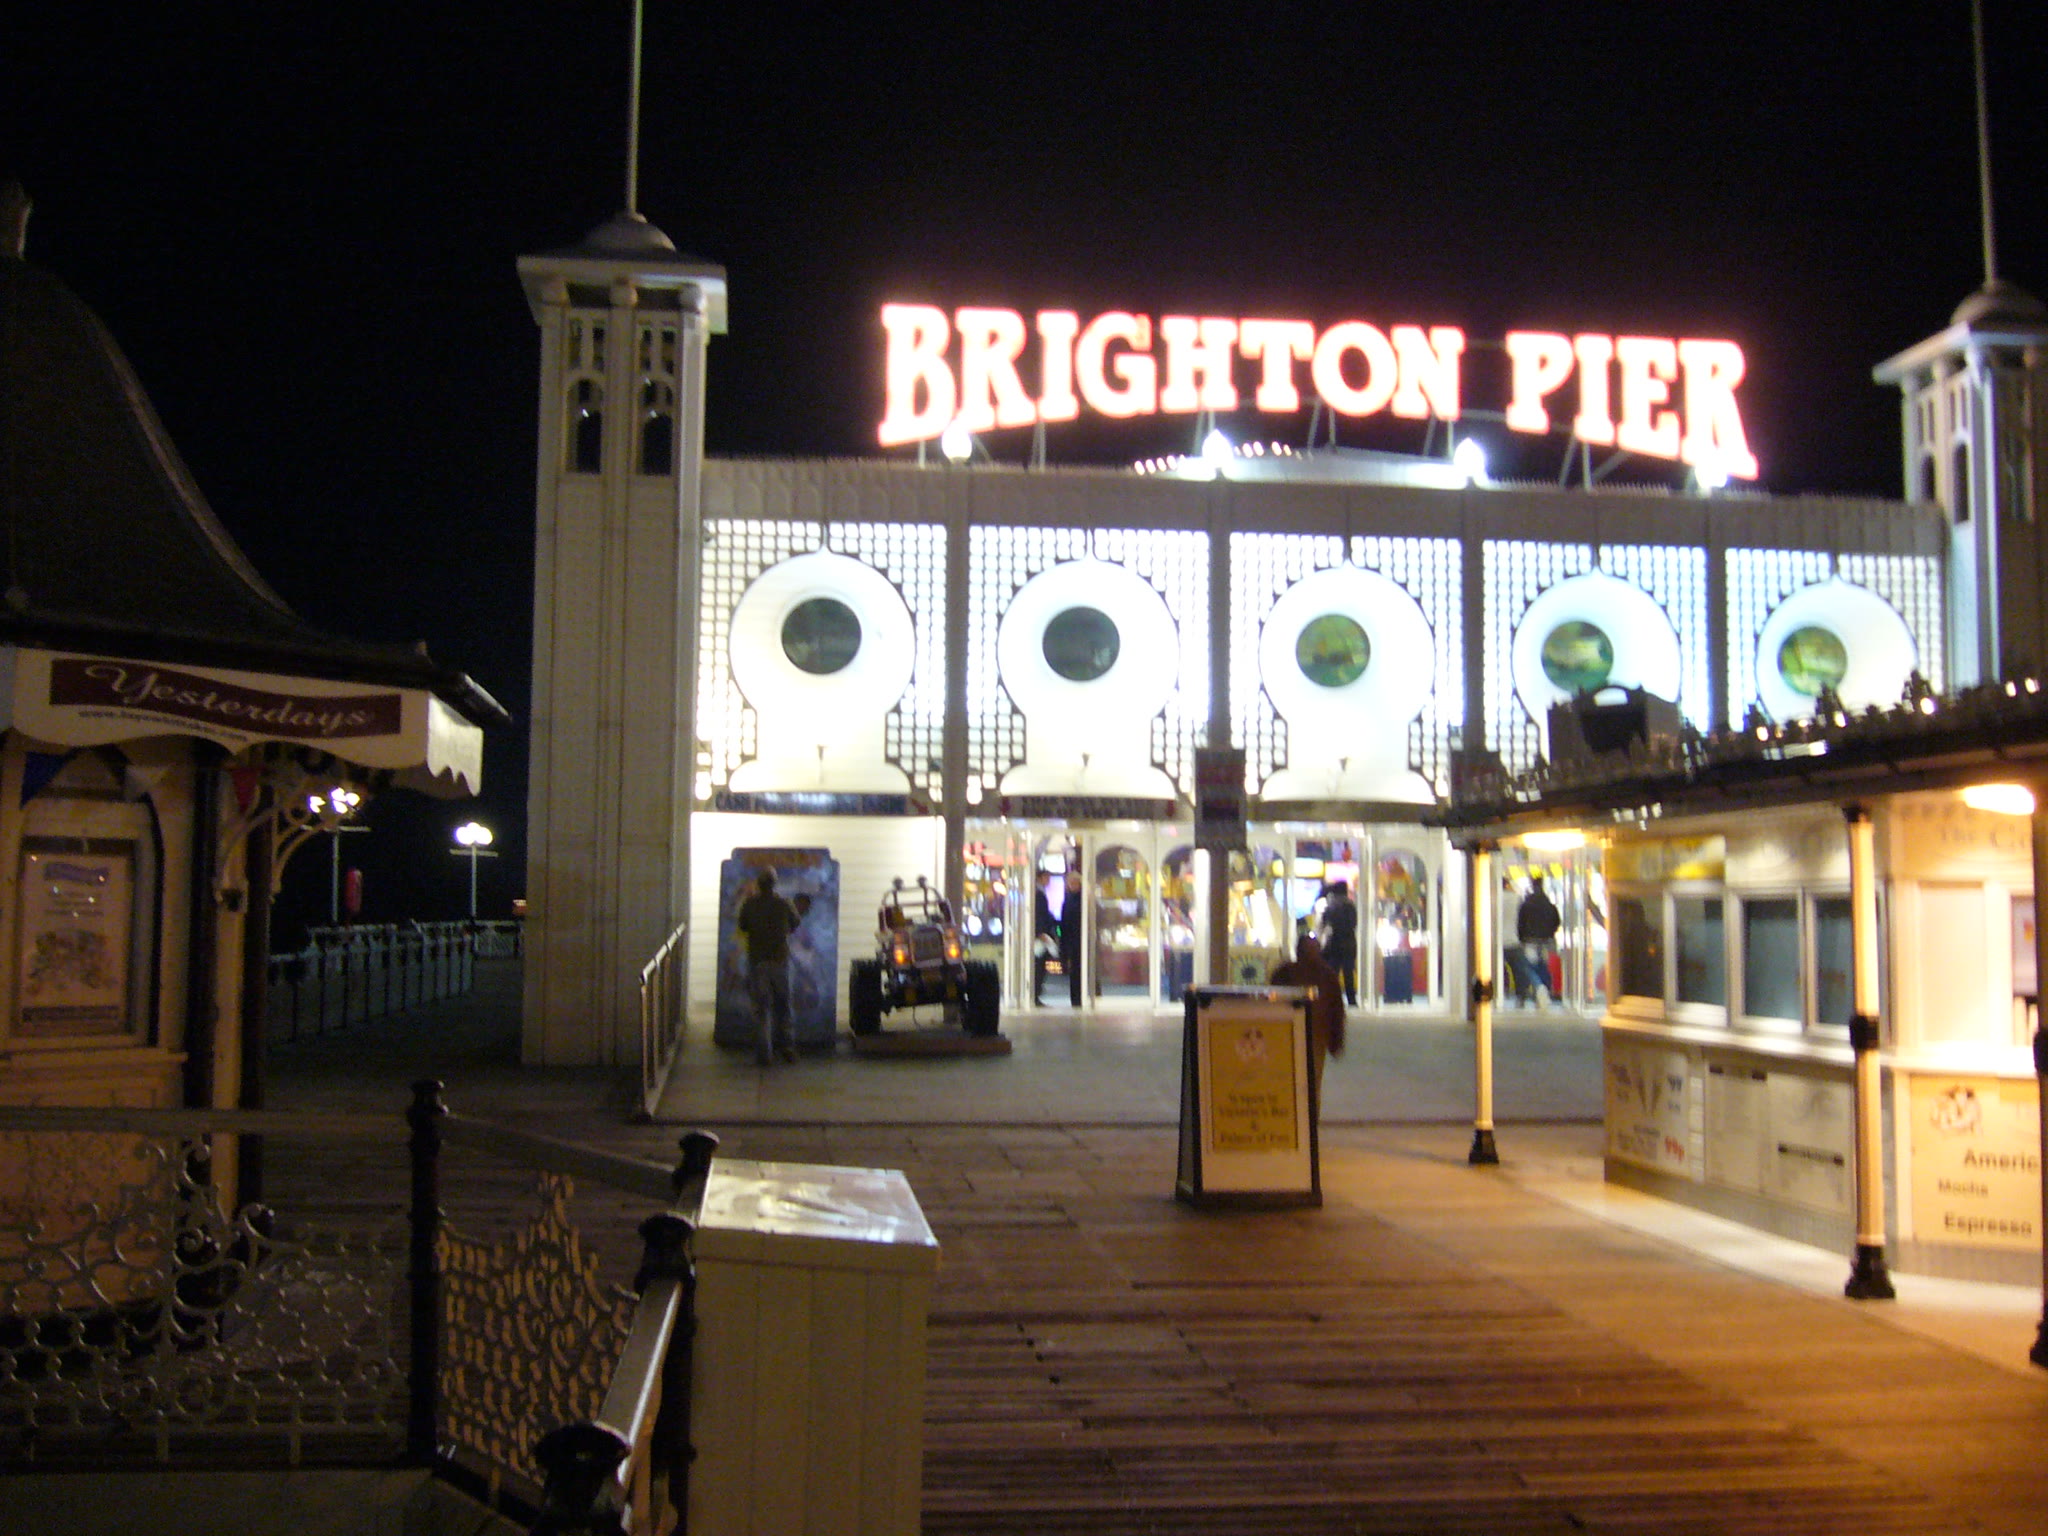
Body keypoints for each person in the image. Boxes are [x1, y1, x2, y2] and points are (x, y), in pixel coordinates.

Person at [735, 869, 805, 1065]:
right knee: (784, 1006)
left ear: (759, 884)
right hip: (780, 960)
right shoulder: (784, 903)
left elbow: (742, 926)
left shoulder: (750, 904)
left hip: (758, 961)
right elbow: (796, 923)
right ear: (774, 884)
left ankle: (764, 1053)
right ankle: (787, 1048)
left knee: (762, 1008)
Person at [1270, 933, 1345, 1100]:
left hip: (1296, 1034)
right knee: (1312, 1080)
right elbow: (1336, 1010)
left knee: (1296, 1078)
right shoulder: (1327, 975)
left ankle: (1301, 1110)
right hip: (1309, 1034)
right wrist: (1335, 1040)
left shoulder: (1283, 973)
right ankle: (1308, 1112)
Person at [1516, 873, 1563, 1007]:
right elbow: (1557, 921)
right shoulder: (1549, 905)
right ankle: (1546, 990)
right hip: (1547, 940)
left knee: (1529, 966)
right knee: (1544, 966)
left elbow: (1520, 923)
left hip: (1529, 940)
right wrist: (1550, 933)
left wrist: (1521, 937)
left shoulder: (1526, 905)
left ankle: (1538, 986)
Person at [1316, 879, 1360, 1006]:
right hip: (1349, 942)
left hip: (1335, 942)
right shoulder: (1351, 905)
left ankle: (1332, 999)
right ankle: (1351, 999)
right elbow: (1354, 923)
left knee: (1333, 973)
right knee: (1348, 973)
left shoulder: (1331, 906)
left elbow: (1324, 923)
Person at [1059, 869, 1085, 1006]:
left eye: (1075, 883)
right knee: (1074, 972)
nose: (1073, 885)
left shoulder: (1083, 900)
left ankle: (1080, 997)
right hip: (1072, 941)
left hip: (1081, 940)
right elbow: (1064, 924)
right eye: (1071, 883)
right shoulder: (1067, 901)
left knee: (1080, 970)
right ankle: (1075, 999)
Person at [1032, 878, 1059, 1005]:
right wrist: (1041, 932)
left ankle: (1035, 994)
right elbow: (1039, 916)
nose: (1048, 880)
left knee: (1039, 966)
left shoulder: (1038, 893)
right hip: (1040, 936)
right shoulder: (1039, 895)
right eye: (1046, 877)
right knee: (1038, 967)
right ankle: (1034, 995)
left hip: (1040, 935)